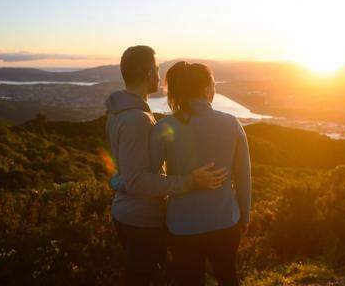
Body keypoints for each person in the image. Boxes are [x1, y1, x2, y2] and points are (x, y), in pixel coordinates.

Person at [106, 46, 227, 286]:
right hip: (141, 219)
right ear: (149, 73)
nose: (159, 76)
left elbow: (127, 173)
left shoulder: (118, 111)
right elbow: (138, 181)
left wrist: (115, 181)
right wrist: (190, 181)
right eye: (158, 69)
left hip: (127, 213)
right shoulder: (136, 120)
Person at [152, 61, 251, 286]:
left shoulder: (164, 127)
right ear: (207, 88)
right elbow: (244, 177)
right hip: (226, 221)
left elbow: (152, 178)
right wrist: (244, 216)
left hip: (182, 226)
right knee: (228, 277)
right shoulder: (231, 123)